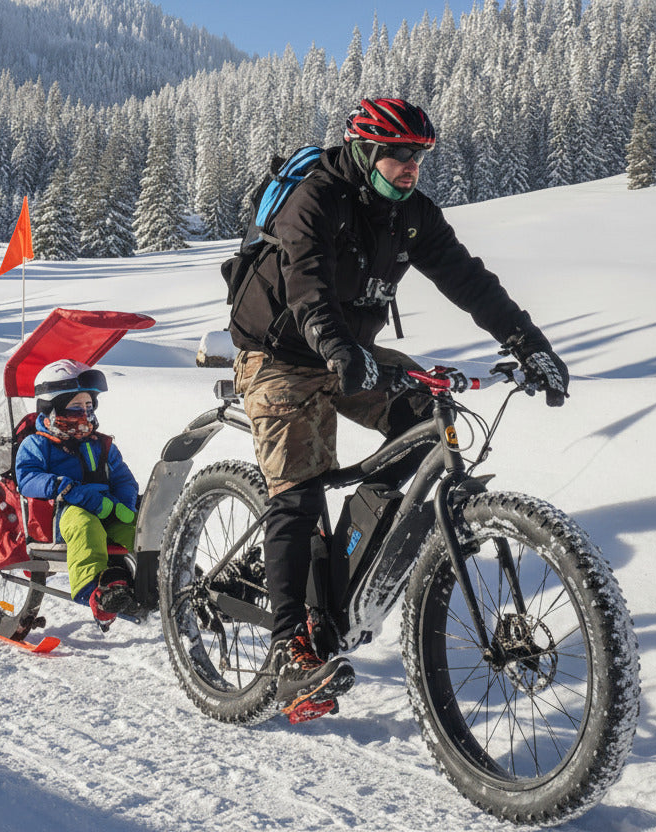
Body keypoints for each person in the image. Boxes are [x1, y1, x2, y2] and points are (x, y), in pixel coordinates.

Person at [226, 97, 570, 720]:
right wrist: (337, 347)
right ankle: (287, 649)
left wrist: (529, 344)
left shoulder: (412, 214)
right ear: (364, 150)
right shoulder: (317, 198)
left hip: (348, 350)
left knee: (421, 419)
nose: (410, 168)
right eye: (398, 155)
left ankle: (354, 545)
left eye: (418, 157)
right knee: (298, 489)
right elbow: (306, 284)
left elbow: (469, 279)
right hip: (279, 351)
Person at [14, 359, 143, 623]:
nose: (84, 413)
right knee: (87, 527)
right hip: (65, 513)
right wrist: (62, 486)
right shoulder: (37, 444)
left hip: (109, 509)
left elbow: (124, 480)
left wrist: (126, 505)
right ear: (53, 408)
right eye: (75, 406)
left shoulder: (101, 444)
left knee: (143, 532)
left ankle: (170, 578)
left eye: (88, 406)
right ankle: (94, 592)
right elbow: (27, 477)